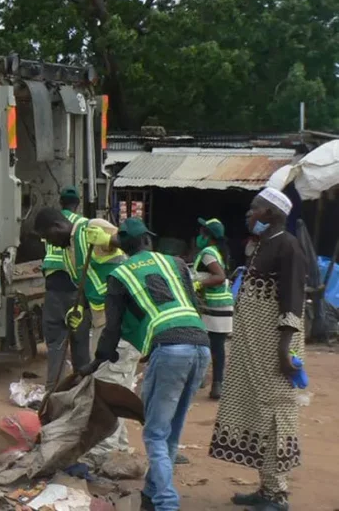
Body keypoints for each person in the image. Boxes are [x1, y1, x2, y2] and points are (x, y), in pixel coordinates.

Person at [80, 217, 210, 511]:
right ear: (148, 241)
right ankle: (151, 494)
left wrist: (98, 361)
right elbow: (192, 304)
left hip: (169, 351)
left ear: (123, 247)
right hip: (200, 345)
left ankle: (166, 503)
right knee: (172, 430)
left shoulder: (120, 274)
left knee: (154, 433)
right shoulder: (176, 263)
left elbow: (111, 329)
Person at [209, 187, 305, 511]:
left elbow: (292, 300)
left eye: (254, 210)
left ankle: (278, 495)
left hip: (275, 347)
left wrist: (284, 348)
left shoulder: (288, 247)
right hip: (253, 345)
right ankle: (265, 488)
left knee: (275, 414)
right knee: (256, 412)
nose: (249, 215)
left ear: (270, 213)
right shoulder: (264, 244)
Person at [33, 207, 138, 464]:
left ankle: (103, 454)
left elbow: (138, 243)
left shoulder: (92, 227)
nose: (49, 244)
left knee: (108, 389)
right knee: (114, 385)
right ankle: (119, 449)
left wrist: (110, 240)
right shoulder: (68, 247)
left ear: (58, 227)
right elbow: (86, 280)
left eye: (47, 237)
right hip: (105, 324)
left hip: (124, 323)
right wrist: (80, 307)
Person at [39, 187, 91, 389]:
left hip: (53, 286)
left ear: (61, 203)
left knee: (55, 343)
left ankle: (53, 390)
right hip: (76, 288)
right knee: (80, 341)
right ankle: (82, 388)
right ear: (77, 204)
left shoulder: (51, 224)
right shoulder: (82, 224)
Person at [192, 218, 233, 400]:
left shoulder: (208, 252)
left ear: (208, 236)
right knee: (217, 347)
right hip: (223, 305)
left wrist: (198, 284)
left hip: (213, 306)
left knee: (202, 344)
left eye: (202, 233)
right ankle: (217, 384)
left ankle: (200, 380)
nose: (199, 236)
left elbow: (219, 276)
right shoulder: (219, 251)